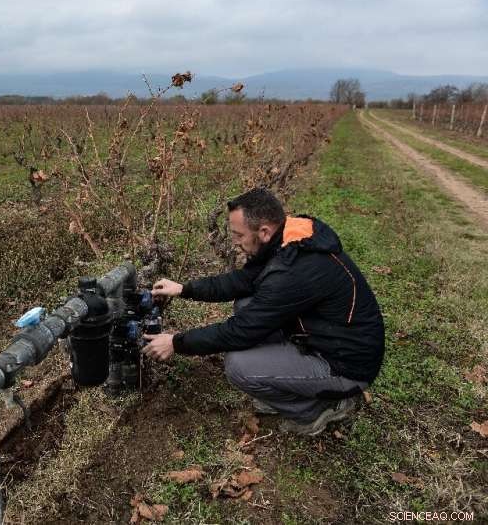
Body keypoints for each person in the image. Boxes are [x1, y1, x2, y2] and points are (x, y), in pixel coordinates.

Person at [141, 187, 384, 436]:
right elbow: (243, 281)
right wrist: (185, 289)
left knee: (239, 366)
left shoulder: (293, 271)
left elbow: (240, 332)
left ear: (264, 231)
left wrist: (176, 342)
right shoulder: (289, 238)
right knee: (246, 303)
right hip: (325, 335)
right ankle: (295, 383)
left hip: (345, 366)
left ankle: (315, 410)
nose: (235, 242)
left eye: (238, 235)